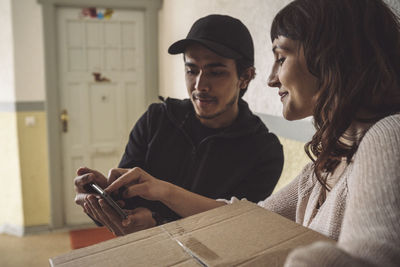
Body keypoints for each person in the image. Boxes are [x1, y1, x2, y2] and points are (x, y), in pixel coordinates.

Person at [103, 0, 400, 265]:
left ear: (332, 59)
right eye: (192, 69)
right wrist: (162, 191)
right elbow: (250, 218)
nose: (272, 79)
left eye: (281, 58)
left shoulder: (388, 135)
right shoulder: (324, 163)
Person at [74, 14, 284, 235]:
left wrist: (158, 223)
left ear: (245, 77)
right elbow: (127, 202)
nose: (200, 85)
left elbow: (236, 230)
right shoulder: (155, 119)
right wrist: (103, 199)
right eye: (191, 70)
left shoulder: (264, 151)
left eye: (216, 72)